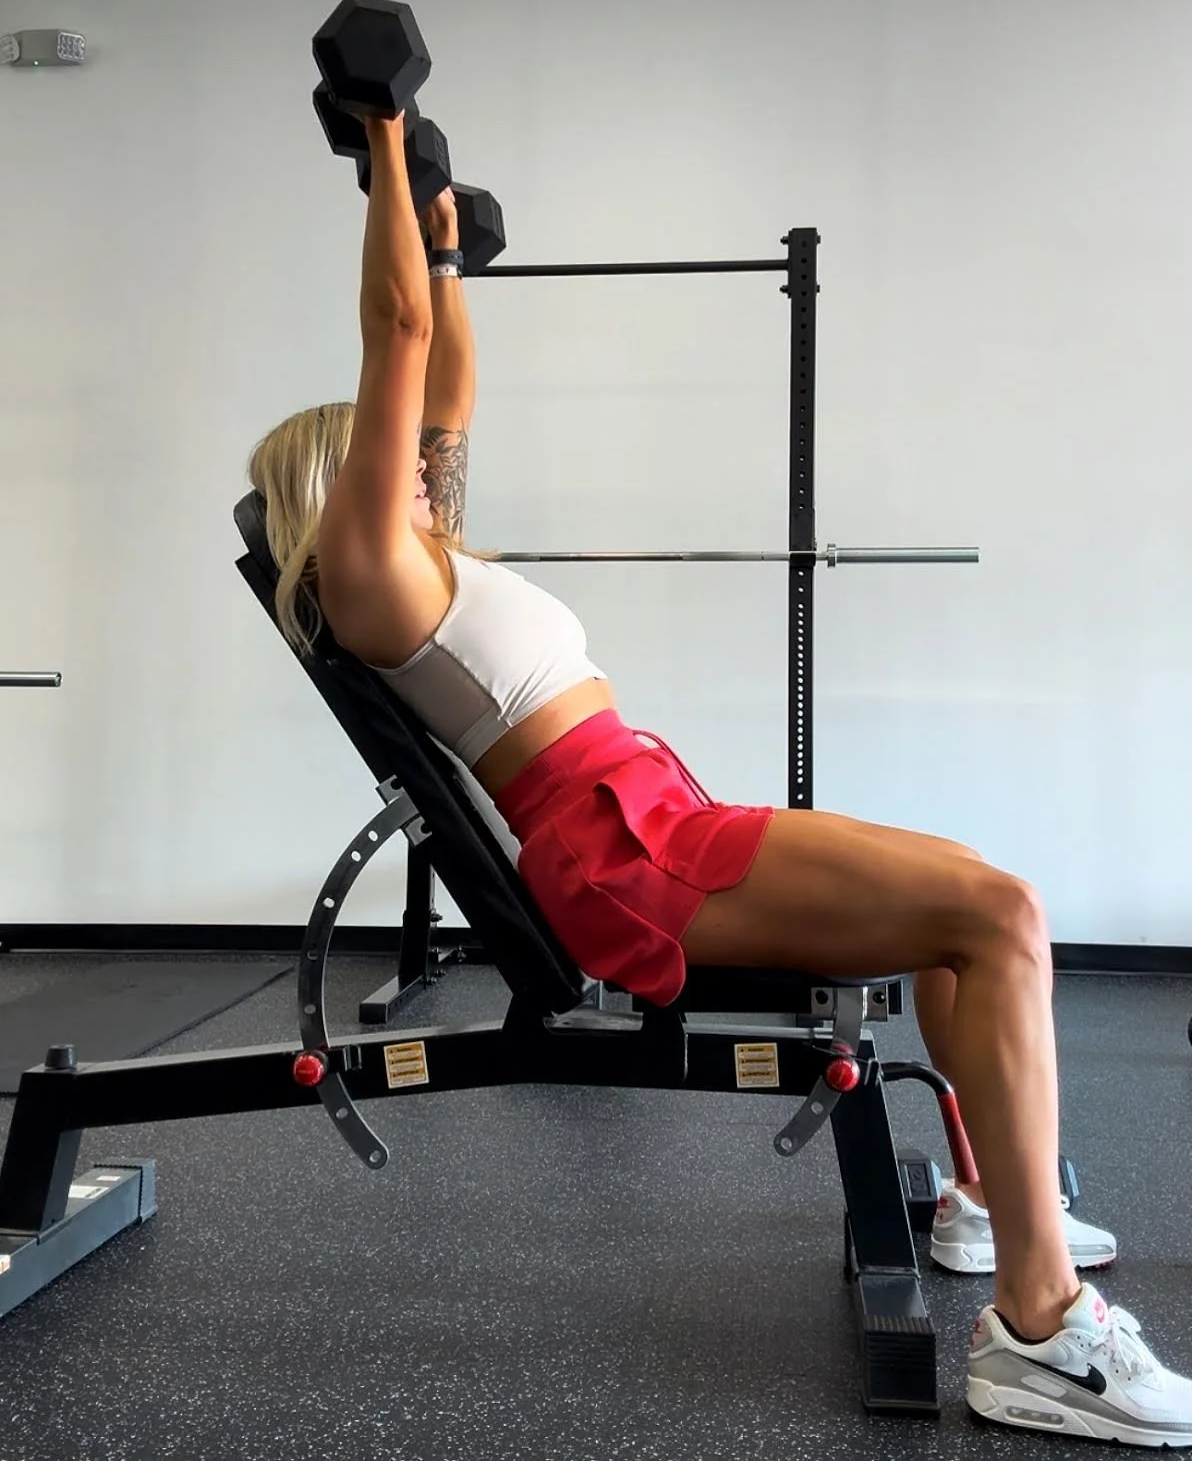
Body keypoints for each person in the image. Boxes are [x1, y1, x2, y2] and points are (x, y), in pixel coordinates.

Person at [247, 110, 1192, 1446]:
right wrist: (386, 147)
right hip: (624, 854)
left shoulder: (429, 553)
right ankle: (1043, 1327)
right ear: (338, 485)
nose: (420, 457)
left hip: (658, 813)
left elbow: (439, 366)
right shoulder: (373, 577)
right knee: (1003, 914)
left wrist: (448, 245)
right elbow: (396, 340)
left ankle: (998, 1203)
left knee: (968, 908)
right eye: (385, 455)